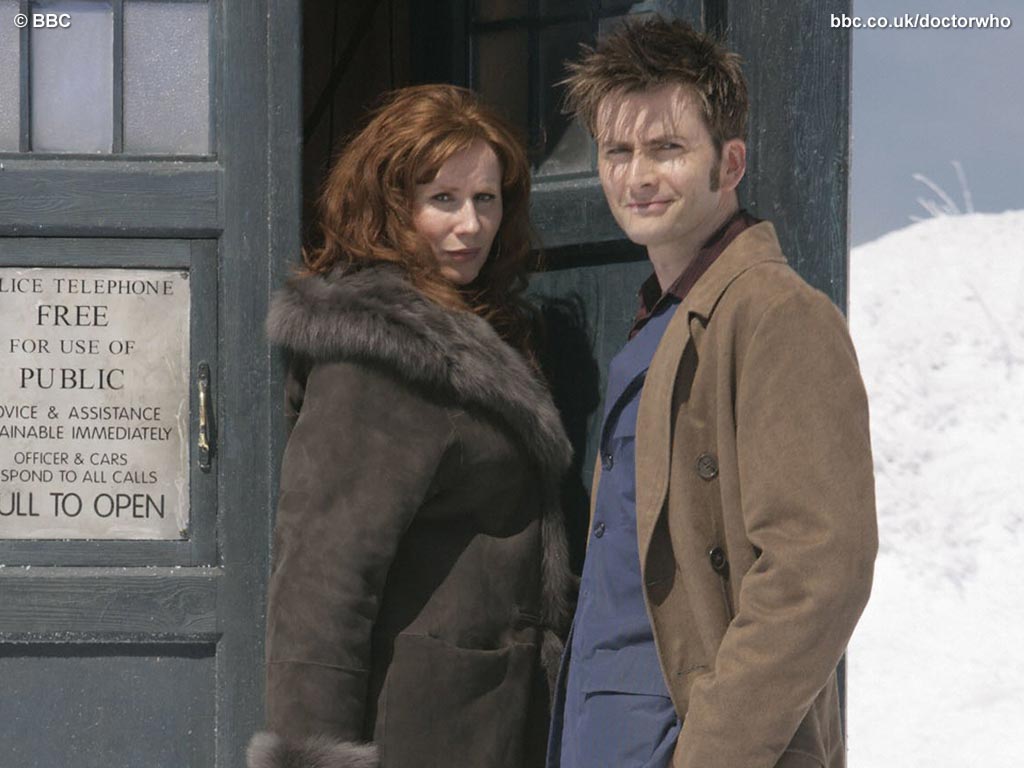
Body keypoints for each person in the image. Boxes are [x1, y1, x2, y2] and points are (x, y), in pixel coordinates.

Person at [547, 17, 878, 768]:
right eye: (617, 152)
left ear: (729, 164)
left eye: (667, 149)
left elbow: (819, 570)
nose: (637, 176)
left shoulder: (778, 316)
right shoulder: (657, 324)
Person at [247, 84, 573, 768]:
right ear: (390, 204)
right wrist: (312, 756)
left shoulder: (484, 330)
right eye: (443, 199)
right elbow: (322, 581)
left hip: (486, 720)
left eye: (486, 198)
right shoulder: (377, 357)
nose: (471, 224)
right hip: (415, 729)